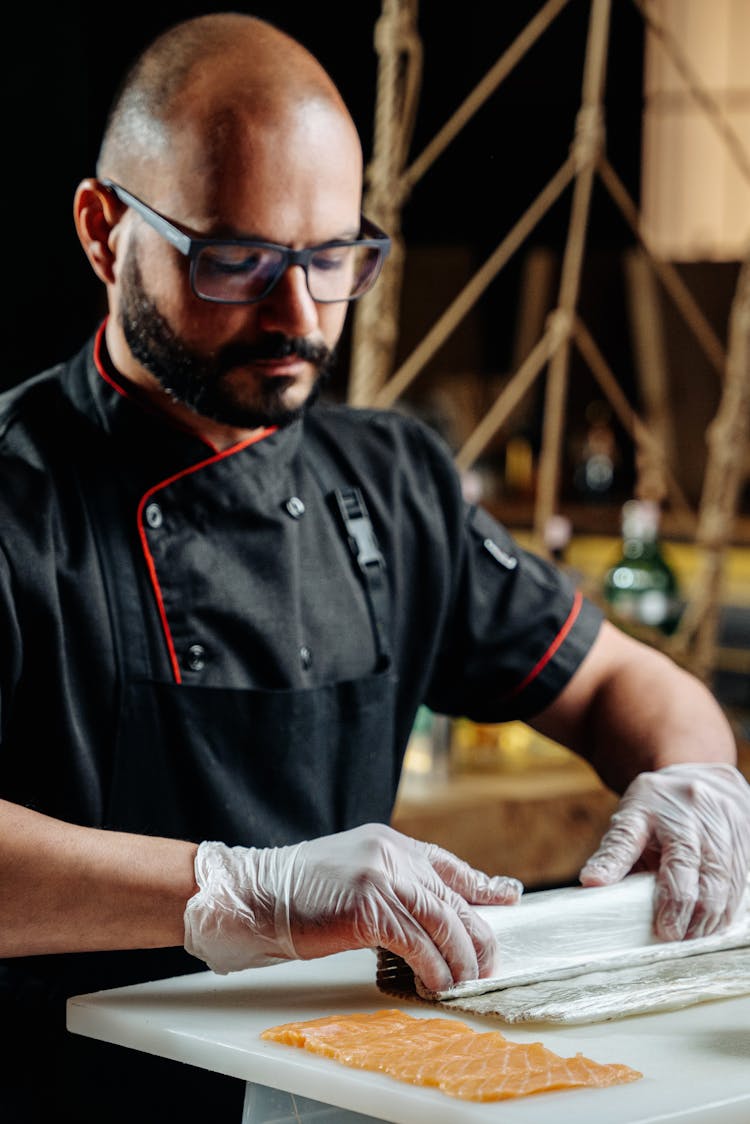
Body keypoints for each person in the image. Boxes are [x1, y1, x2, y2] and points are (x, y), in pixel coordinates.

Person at [2, 11, 749, 1123]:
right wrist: (239, 888)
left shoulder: (390, 480)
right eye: (237, 261)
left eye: (330, 257)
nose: (297, 315)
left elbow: (624, 683)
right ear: (105, 230)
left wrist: (697, 781)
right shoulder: (18, 496)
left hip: (334, 1096)